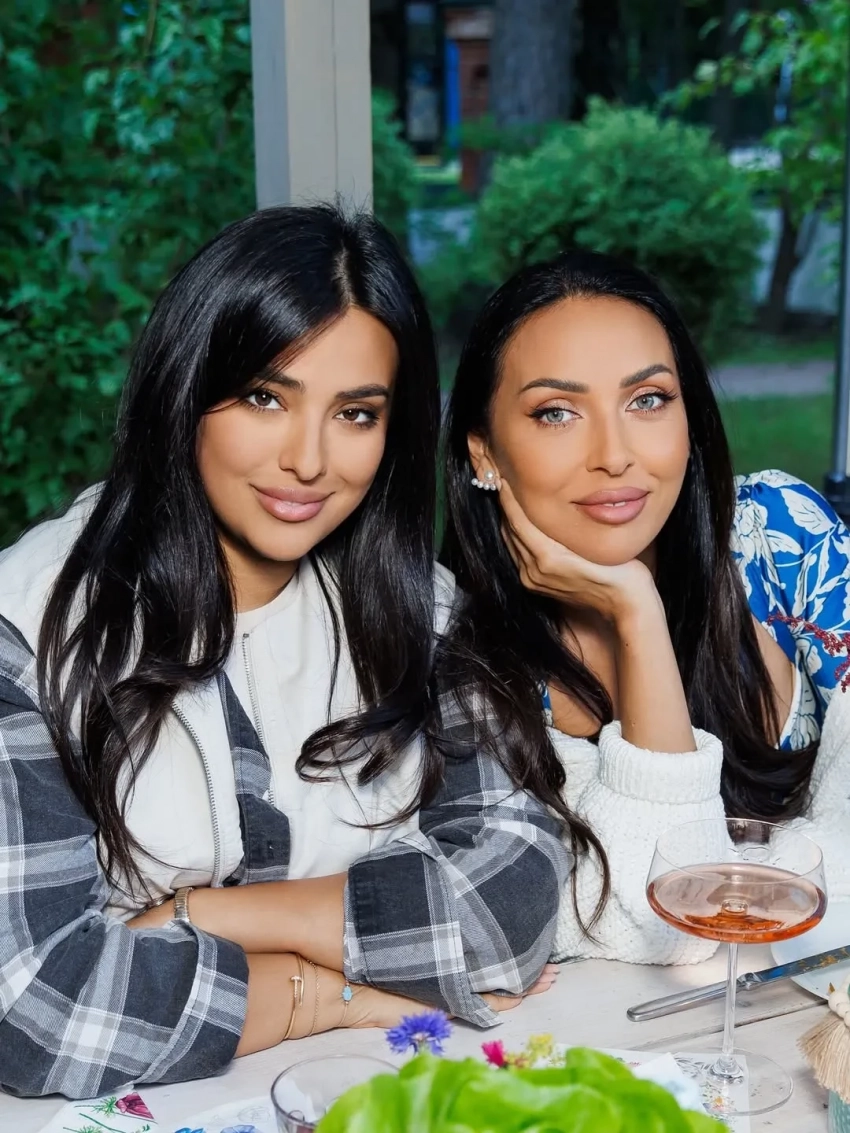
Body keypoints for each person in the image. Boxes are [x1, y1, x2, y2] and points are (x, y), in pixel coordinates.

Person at [0, 205, 568, 1100]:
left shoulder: (419, 607)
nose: (309, 460)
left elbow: (514, 901)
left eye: (356, 413)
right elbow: (42, 1008)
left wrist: (196, 913)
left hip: (372, 1094)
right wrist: (323, 995)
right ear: (185, 388)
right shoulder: (28, 623)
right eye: (266, 397)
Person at [440, 250, 850, 966]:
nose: (615, 454)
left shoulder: (779, 535)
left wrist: (738, 872)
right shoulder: (463, 659)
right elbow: (653, 919)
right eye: (557, 412)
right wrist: (636, 612)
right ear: (485, 453)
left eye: (648, 400)